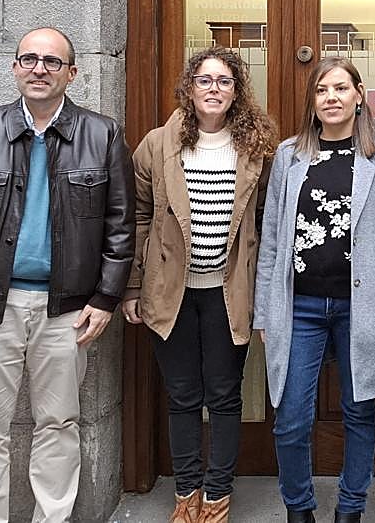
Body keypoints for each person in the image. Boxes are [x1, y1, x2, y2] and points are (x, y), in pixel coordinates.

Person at [0, 27, 135, 523]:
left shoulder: (101, 135)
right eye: (30, 59)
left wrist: (105, 299)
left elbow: (120, 225)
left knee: (58, 424)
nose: (40, 69)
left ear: (71, 73)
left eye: (52, 62)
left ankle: (51, 518)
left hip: (67, 311)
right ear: (15, 67)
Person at [255, 57, 375, 523]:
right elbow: (271, 237)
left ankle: (351, 507)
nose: (331, 97)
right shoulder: (289, 156)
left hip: (360, 306)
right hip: (298, 306)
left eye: (341, 88)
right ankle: (299, 508)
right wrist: (265, 310)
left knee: (359, 412)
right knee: (290, 419)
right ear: (312, 100)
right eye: (322, 89)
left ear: (358, 95)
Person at [123, 45, 278, 523]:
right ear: (190, 88)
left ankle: (217, 496)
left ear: (237, 92)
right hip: (171, 292)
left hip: (229, 291)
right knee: (183, 395)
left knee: (225, 395)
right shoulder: (156, 144)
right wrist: (131, 288)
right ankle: (186, 494)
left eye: (225, 81)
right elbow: (139, 218)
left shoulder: (256, 147)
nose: (215, 89)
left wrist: (269, 300)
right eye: (206, 80)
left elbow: (270, 223)